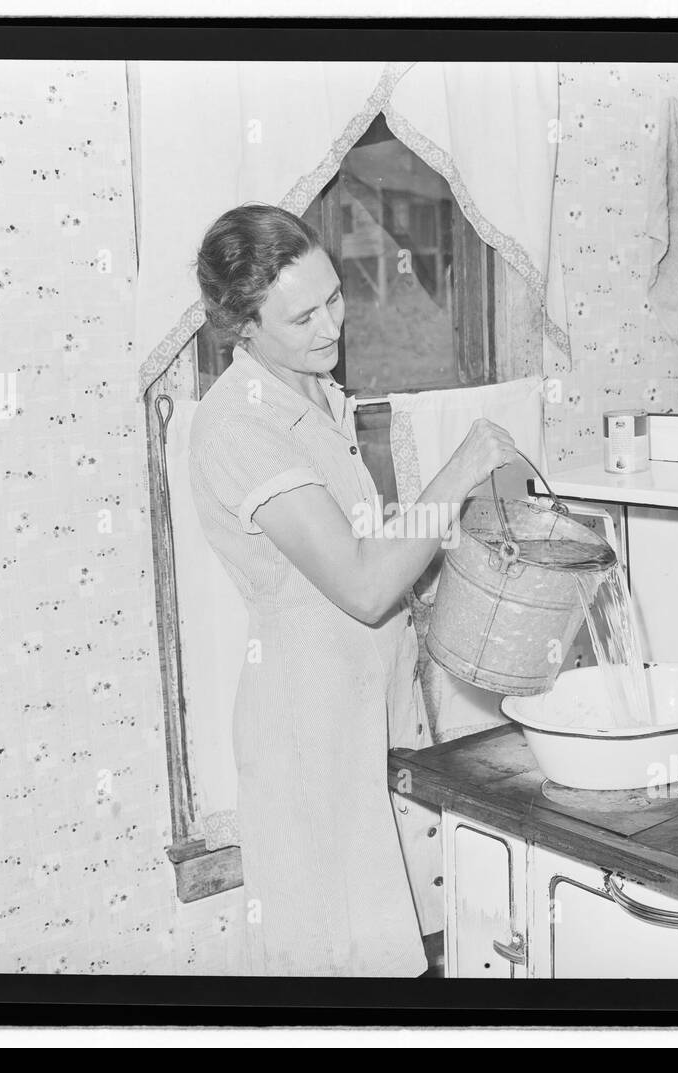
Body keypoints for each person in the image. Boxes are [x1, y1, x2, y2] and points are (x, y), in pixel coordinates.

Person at [188, 203, 517, 976]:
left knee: (421, 946)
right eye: (302, 316)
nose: (332, 326)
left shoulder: (321, 397)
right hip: (310, 731)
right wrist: (460, 468)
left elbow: (372, 555)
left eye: (334, 297)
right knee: (345, 965)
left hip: (382, 714)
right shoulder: (236, 424)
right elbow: (363, 586)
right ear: (243, 326)